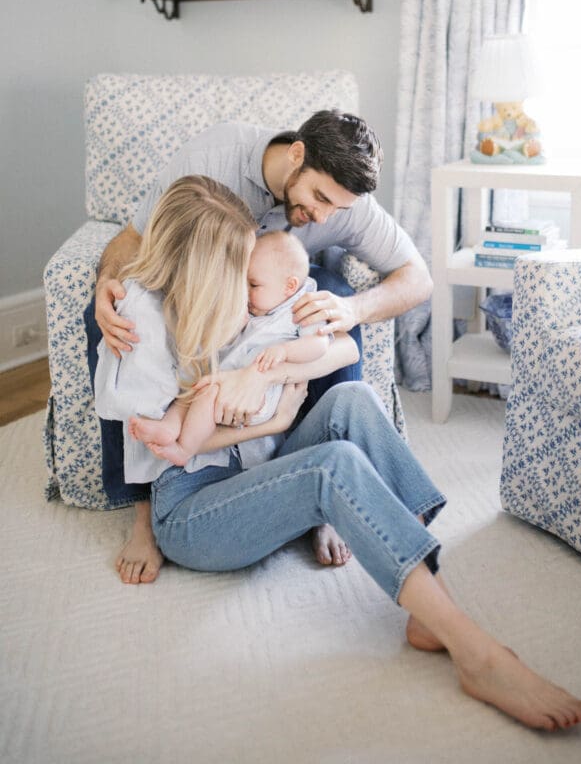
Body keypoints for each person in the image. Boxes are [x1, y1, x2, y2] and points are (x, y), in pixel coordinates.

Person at [94, 174, 581, 732]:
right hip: (190, 510)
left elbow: (335, 349)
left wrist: (269, 373)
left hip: (253, 475)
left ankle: (432, 603)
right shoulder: (137, 319)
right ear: (199, 264)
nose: (243, 286)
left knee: (352, 398)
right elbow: (158, 444)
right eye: (234, 270)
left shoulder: (236, 299)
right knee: (330, 467)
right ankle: (475, 653)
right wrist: (273, 416)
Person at [86, 109, 433, 584]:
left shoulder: (341, 205)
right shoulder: (214, 161)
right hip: (204, 305)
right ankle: (141, 514)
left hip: (272, 304)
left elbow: (418, 278)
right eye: (319, 198)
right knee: (111, 313)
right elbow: (135, 238)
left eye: (339, 210)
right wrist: (108, 282)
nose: (325, 217)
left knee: (333, 297)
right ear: (296, 157)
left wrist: (346, 315)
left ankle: (406, 548)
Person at [120, 230, 338, 468]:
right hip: (232, 377)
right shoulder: (259, 306)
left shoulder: (302, 308)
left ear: (290, 286)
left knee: (208, 393)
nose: (246, 292)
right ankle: (168, 427)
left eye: (254, 284)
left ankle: (184, 449)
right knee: (195, 386)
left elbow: (319, 345)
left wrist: (286, 351)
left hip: (260, 398)